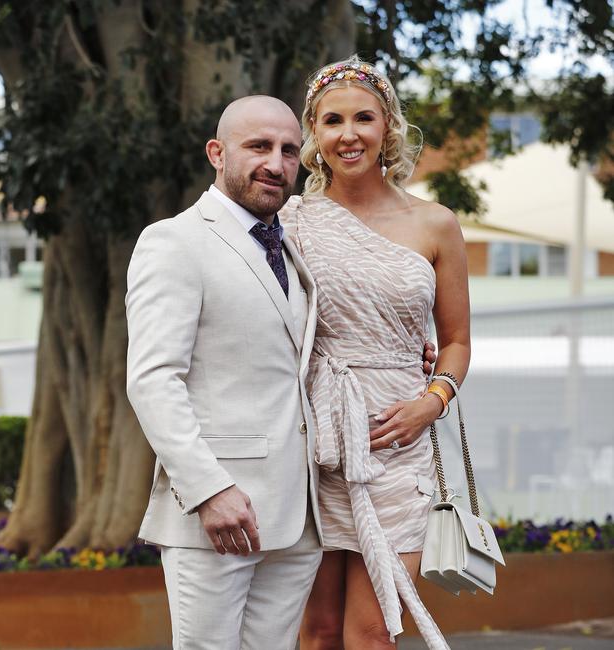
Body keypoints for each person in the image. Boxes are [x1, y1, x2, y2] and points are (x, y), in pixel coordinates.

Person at [279, 56, 471, 650]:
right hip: (315, 440)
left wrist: (430, 402)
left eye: (364, 117)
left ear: (388, 127)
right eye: (332, 120)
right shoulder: (290, 222)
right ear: (314, 133)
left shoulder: (435, 224)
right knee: (319, 632)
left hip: (399, 442)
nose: (349, 134)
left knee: (373, 633)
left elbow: (457, 342)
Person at [125, 96, 323, 650]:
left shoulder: (290, 245)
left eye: (289, 150)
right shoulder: (174, 241)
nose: (277, 163)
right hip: (218, 508)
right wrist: (209, 490)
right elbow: (152, 378)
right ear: (218, 153)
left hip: (297, 512)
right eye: (258, 146)